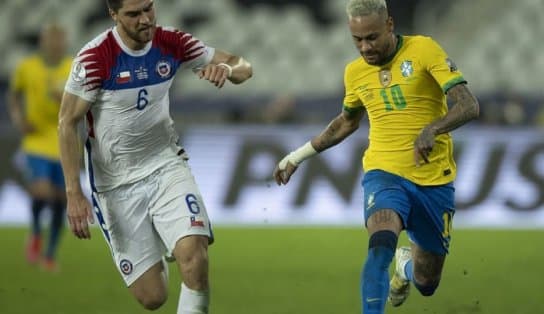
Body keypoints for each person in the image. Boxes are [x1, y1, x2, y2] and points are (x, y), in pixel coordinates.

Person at [273, 0, 479, 313]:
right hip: (384, 174)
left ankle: (405, 266)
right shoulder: (355, 73)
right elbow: (346, 122)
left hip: (433, 181)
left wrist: (433, 129)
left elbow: (468, 105)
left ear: (390, 26)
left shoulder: (424, 49)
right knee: (380, 246)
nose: (365, 47)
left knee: (427, 282)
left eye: (372, 37)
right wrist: (297, 156)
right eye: (357, 40)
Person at [58, 0, 252, 313]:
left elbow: (244, 66)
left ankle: (178, 235)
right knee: (153, 297)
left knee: (195, 258)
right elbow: (67, 122)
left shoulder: (172, 43)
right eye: (134, 14)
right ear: (113, 15)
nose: (146, 19)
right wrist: (73, 192)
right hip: (115, 185)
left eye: (149, 8)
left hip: (166, 166)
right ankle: (161, 240)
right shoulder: (95, 58)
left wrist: (227, 69)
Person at [7, 21, 72, 272]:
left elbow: (87, 99)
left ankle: (50, 253)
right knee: (42, 191)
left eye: (59, 40)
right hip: (35, 139)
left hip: (62, 138)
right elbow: (13, 94)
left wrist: (67, 100)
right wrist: (18, 118)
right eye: (51, 39)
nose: (55, 44)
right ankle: (35, 232)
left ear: (64, 42)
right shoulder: (27, 68)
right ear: (43, 42)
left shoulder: (73, 67)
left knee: (61, 200)